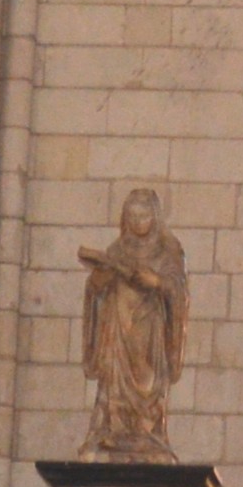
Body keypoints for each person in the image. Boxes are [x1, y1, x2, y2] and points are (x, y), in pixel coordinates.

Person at [78, 188, 190, 460]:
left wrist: (157, 282)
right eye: (133, 216)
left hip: (150, 330)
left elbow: (179, 291)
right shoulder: (116, 250)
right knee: (113, 381)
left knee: (150, 381)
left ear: (155, 217)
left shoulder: (169, 251)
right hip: (118, 330)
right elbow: (98, 291)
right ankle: (111, 430)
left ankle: (149, 434)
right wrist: (97, 284)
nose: (138, 221)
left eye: (144, 215)